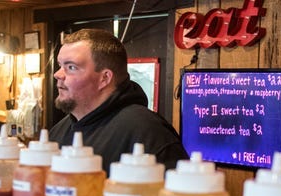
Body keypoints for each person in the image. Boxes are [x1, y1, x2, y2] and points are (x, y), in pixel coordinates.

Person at [48, 28, 188, 173]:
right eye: (60, 65)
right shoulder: (58, 132)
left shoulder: (148, 132)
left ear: (105, 78)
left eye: (71, 67)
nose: (57, 74)